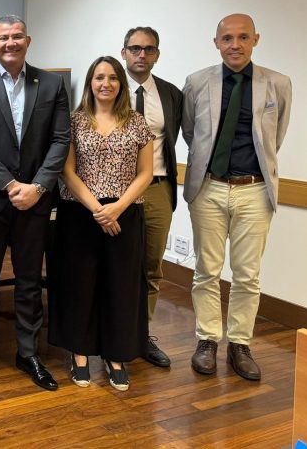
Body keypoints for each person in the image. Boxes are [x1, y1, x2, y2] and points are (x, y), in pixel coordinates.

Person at [0, 15, 70, 392]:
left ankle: (28, 352)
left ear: (28, 40)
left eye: (17, 36)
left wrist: (36, 187)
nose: (10, 42)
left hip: (35, 203)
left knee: (27, 280)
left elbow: (60, 140)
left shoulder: (51, 84)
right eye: (3, 38)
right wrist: (10, 186)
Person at [183, 13, 291, 381]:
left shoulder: (278, 84)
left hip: (255, 190)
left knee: (247, 275)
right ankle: (207, 340)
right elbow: (191, 133)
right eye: (227, 38)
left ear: (255, 40)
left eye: (243, 37)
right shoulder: (197, 83)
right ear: (216, 42)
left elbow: (275, 138)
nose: (235, 44)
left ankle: (240, 344)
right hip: (209, 188)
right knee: (206, 271)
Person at [48, 55, 153, 392]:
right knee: (80, 284)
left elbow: (146, 172)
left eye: (112, 77)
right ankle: (79, 354)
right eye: (98, 77)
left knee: (120, 286)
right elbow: (67, 170)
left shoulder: (136, 122)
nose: (105, 83)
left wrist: (117, 208)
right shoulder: (74, 121)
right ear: (90, 83)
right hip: (80, 213)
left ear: (121, 83)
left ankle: (116, 355)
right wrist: (98, 209)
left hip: (124, 216)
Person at [120, 26, 183, 368]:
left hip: (157, 189)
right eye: (135, 48)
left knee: (150, 266)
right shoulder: (107, 90)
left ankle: (141, 336)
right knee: (115, 264)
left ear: (157, 54)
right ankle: (112, 333)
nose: (141, 55)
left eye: (148, 49)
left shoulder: (171, 95)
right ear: (123, 52)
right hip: (114, 193)